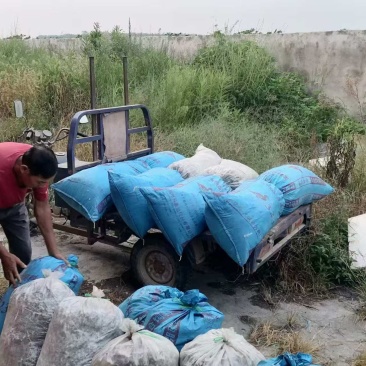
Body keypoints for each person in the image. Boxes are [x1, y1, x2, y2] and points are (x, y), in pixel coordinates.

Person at [0, 142, 66, 286]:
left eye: (46, 182)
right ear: (24, 169)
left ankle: (16, 294)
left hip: (14, 206)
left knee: (22, 253)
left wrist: (53, 250)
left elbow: (42, 206)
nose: (43, 186)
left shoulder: (38, 163)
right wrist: (4, 254)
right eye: (41, 182)